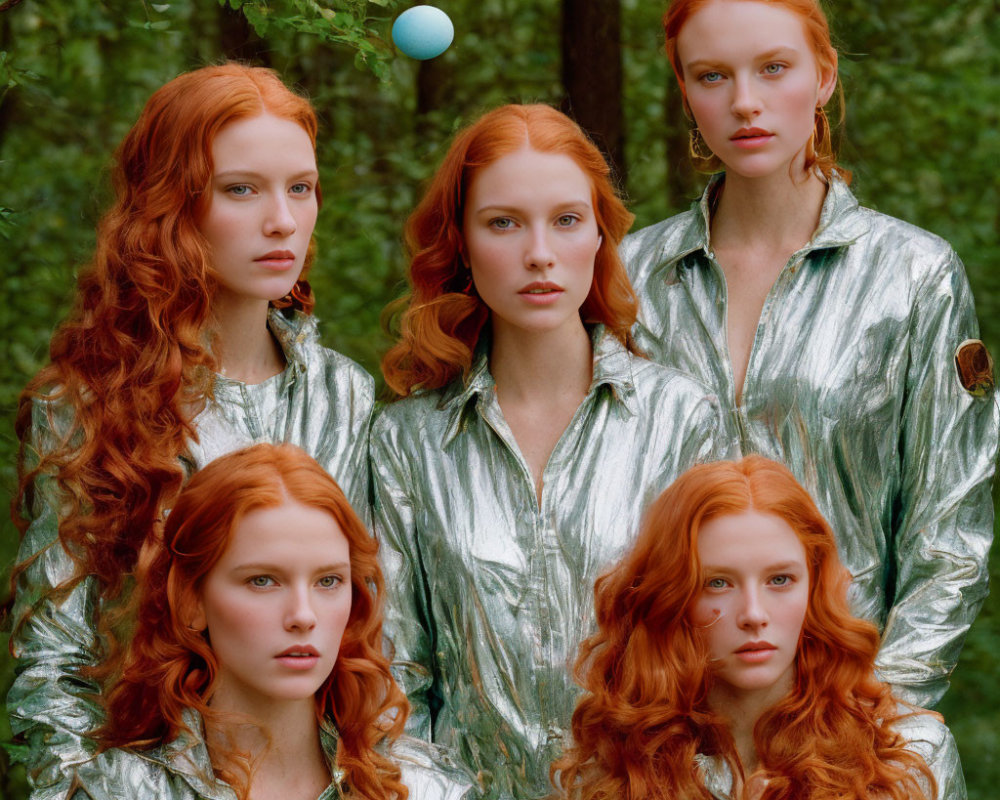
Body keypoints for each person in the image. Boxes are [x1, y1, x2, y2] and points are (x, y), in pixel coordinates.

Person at [621, 0, 998, 708]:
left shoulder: (913, 274)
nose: (744, 102)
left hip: (844, 712)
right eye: (711, 76)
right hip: (660, 723)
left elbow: (950, 528)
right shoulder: (629, 276)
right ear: (684, 91)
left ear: (824, 76)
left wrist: (878, 713)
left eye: (773, 68)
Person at [7, 63, 374, 791]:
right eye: (242, 189)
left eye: (301, 188)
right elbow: (51, 668)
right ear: (172, 205)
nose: (283, 220)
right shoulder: (89, 402)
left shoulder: (346, 393)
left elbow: (377, 629)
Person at [371, 103, 725, 800]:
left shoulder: (681, 419)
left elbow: (713, 657)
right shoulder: (405, 441)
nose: (539, 253)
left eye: (565, 220)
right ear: (463, 244)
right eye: (503, 222)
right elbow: (393, 679)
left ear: (599, 234)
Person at [42, 443, 475, 800]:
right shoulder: (117, 793)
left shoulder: (428, 789)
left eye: (328, 581)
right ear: (191, 601)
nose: (303, 616)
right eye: (263, 580)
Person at [553, 455, 965, 800]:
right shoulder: (610, 769)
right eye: (717, 583)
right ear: (671, 598)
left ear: (814, 588)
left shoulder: (909, 757)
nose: (753, 614)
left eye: (779, 580)